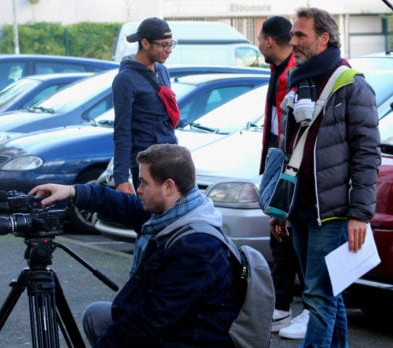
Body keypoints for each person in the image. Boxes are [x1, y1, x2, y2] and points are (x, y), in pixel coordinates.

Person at [29, 144, 243, 347]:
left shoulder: (197, 248)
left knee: (123, 326)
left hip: (192, 339)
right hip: (176, 325)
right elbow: (121, 204)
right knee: (98, 315)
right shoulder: (175, 211)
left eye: (144, 182)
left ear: (168, 186)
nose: (138, 189)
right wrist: (72, 191)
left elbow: (148, 320)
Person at [269, 7, 381, 346]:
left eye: (300, 35)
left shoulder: (352, 86)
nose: (293, 42)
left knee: (318, 297)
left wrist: (360, 214)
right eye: (292, 35)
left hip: (331, 212)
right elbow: (290, 154)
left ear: (324, 38)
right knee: (330, 294)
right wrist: (281, 210)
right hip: (300, 209)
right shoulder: (299, 82)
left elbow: (367, 156)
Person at [257, 15, 308, 338]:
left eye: (259, 39)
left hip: (293, 167)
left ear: (269, 41)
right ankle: (282, 306)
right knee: (281, 237)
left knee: (294, 237)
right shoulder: (280, 71)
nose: (258, 44)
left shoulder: (294, 73)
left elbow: (293, 129)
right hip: (281, 162)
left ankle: (300, 310)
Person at [112, 17, 178, 195]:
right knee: (151, 218)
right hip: (146, 164)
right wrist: (121, 179)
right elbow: (122, 130)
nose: (169, 50)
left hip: (171, 157)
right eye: (164, 45)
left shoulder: (162, 71)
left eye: (171, 44)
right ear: (145, 43)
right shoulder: (125, 80)